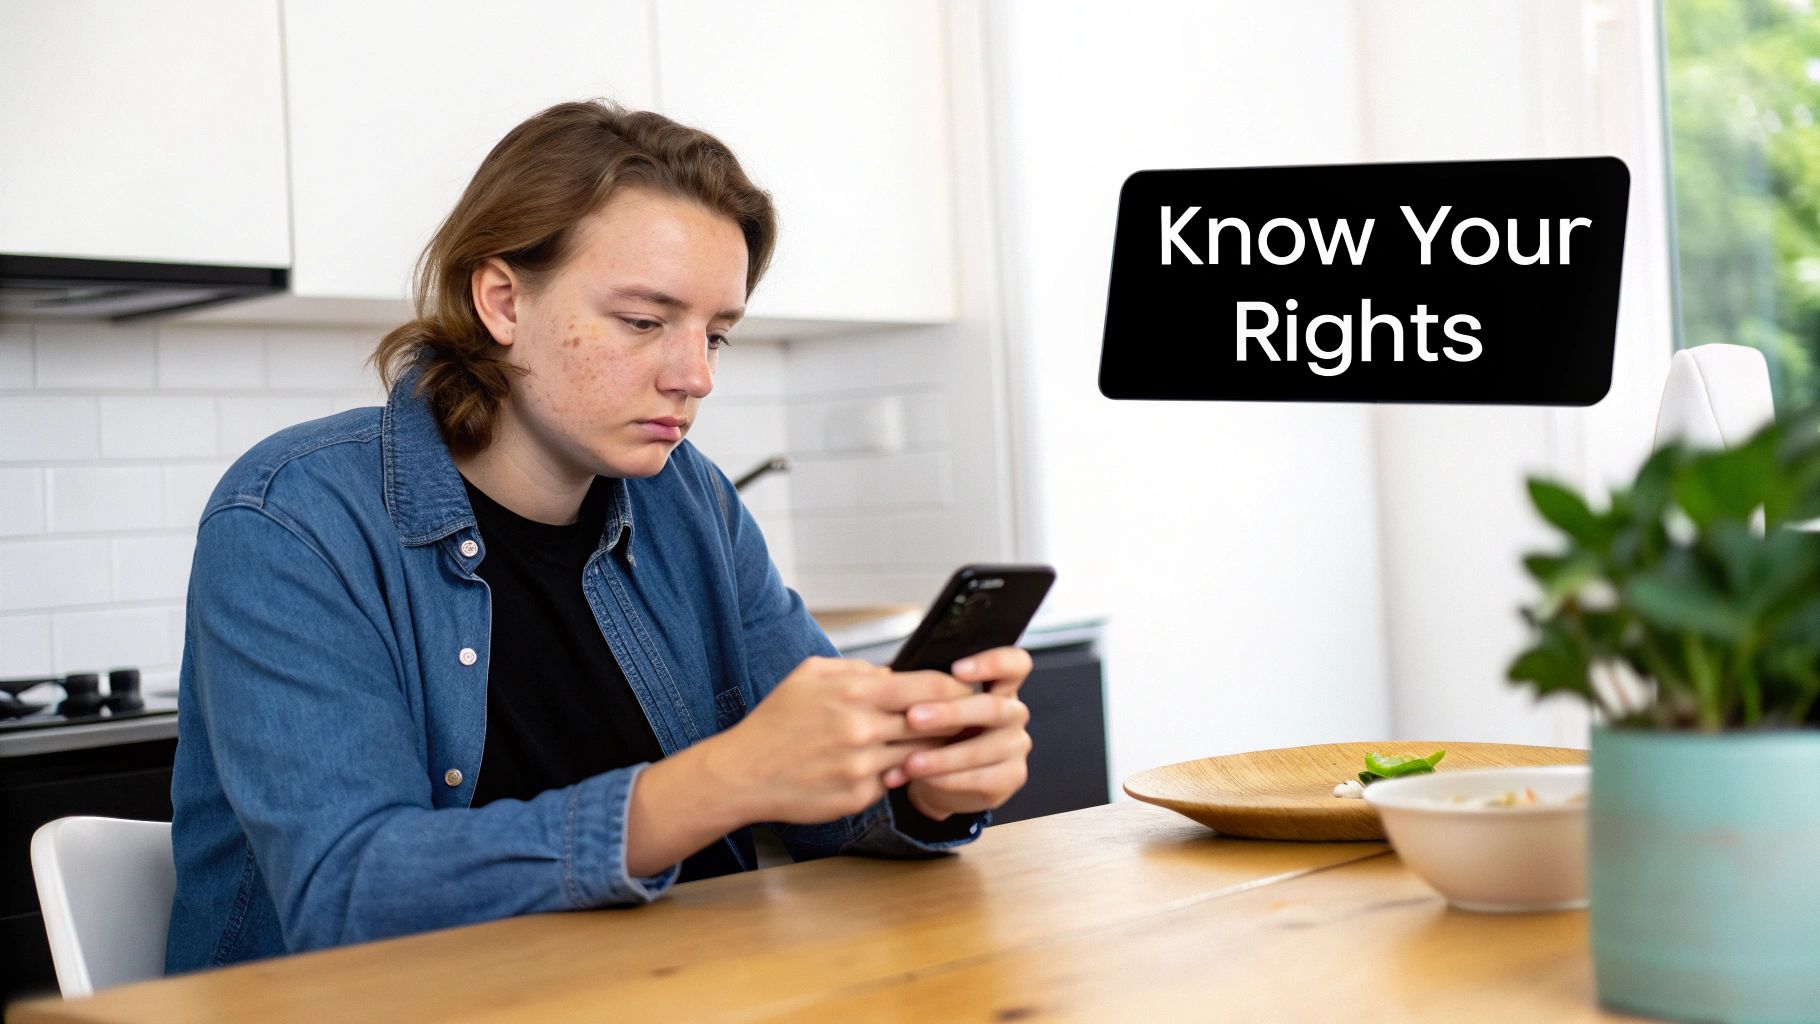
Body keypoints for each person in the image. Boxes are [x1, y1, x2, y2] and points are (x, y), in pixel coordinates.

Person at [165, 100, 1034, 973]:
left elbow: (830, 814)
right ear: (503, 300)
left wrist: (920, 788)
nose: (694, 375)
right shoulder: (294, 517)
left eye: (716, 334)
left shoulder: (690, 500)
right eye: (644, 321)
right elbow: (346, 899)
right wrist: (716, 783)